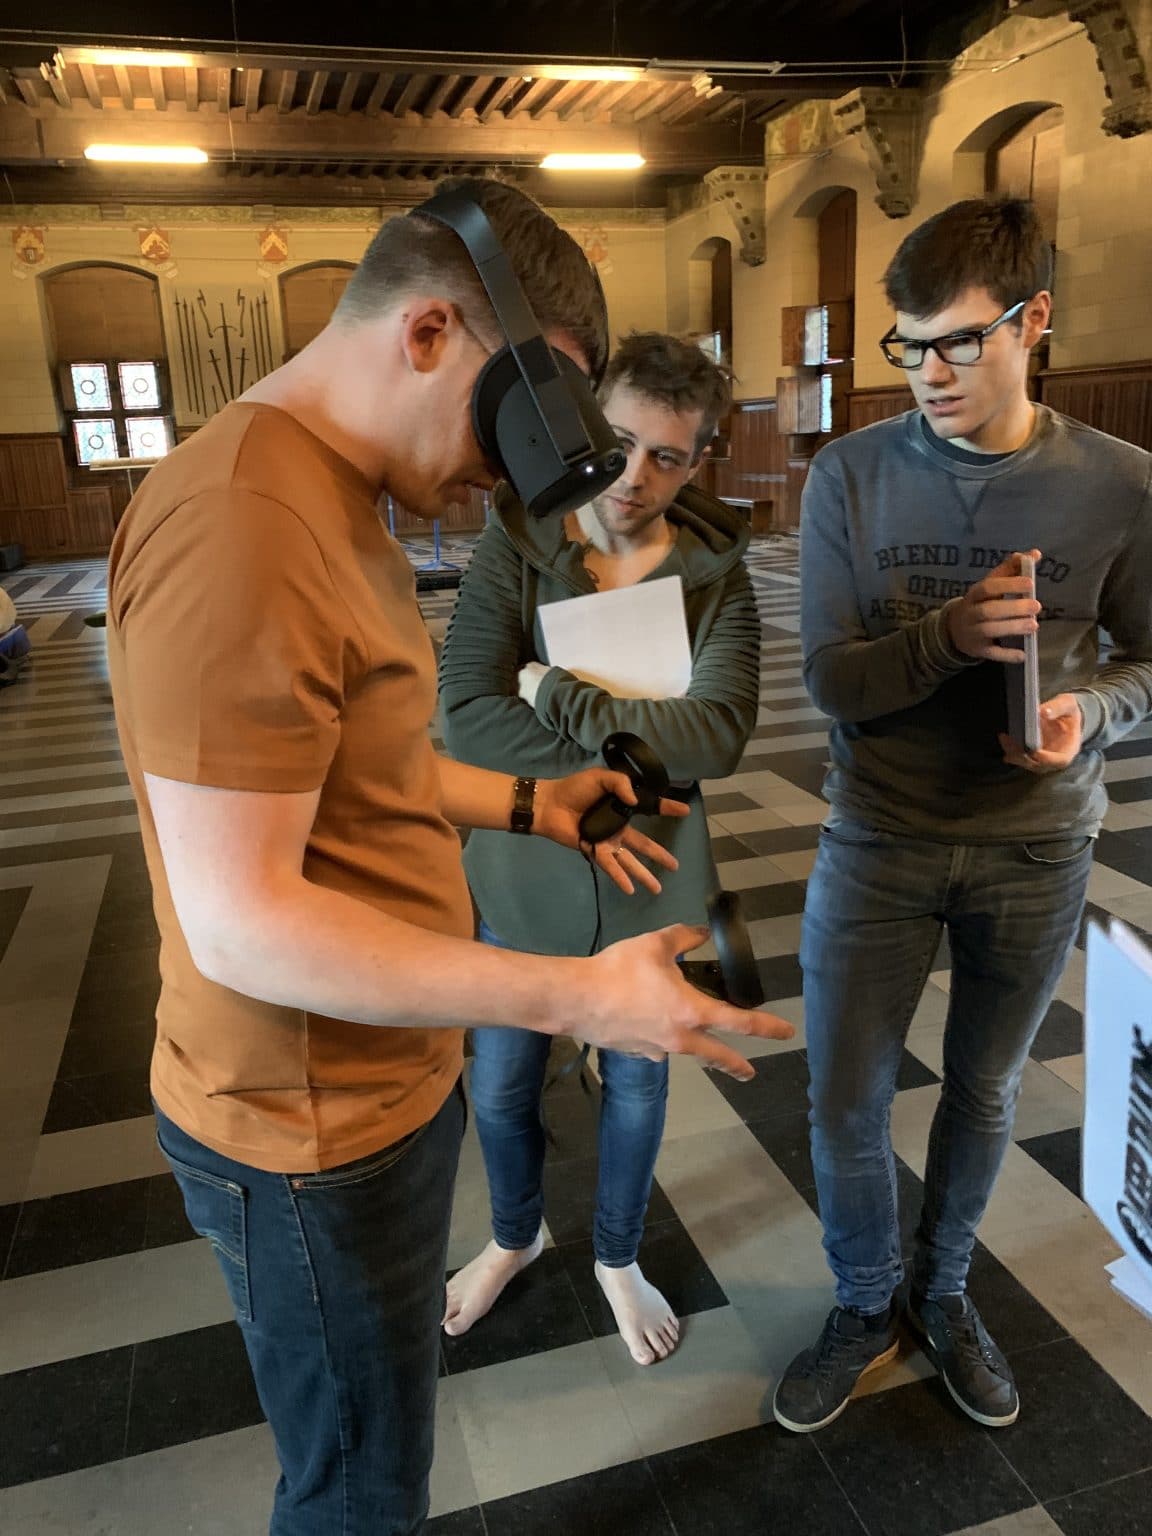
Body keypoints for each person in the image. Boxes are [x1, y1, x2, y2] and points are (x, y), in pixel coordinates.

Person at [104, 177, 790, 1536]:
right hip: (305, 1128)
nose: (517, 477)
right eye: (522, 425)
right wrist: (578, 995)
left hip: (370, 1084)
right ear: (429, 334)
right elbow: (242, 921)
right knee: (361, 1493)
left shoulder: (331, 498)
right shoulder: (243, 525)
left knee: (379, 1458)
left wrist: (536, 804)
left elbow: (350, 770)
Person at [774, 197, 1152, 1435]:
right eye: (909, 346)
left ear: (1033, 321)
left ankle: (941, 1294)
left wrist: (1087, 713)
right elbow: (831, 681)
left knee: (984, 1091)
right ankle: (862, 1302)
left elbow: (1148, 662)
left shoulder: (1121, 485)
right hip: (876, 835)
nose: (929, 373)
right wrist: (947, 636)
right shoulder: (850, 475)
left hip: (1037, 844)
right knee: (845, 1098)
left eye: (957, 342)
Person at [438, 331, 760, 1365]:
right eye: (619, 445)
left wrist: (554, 691)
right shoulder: (518, 542)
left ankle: (618, 1257)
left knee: (637, 1081)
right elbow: (464, 716)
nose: (634, 477)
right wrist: (613, 761)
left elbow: (718, 735)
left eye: (667, 456)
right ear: (587, 428)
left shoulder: (718, 576)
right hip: (523, 868)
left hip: (650, 880)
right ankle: (514, 1234)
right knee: (500, 1083)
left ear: (699, 459)